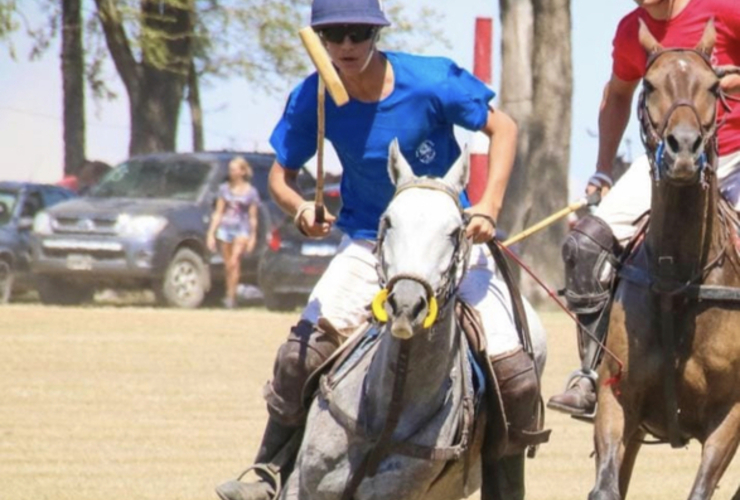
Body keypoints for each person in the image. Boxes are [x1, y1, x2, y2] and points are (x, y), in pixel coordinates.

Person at [216, 1, 548, 499]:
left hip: (446, 241)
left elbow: (504, 128)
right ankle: (268, 473)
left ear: (376, 35)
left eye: (358, 33)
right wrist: (301, 210)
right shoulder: (316, 98)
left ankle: (503, 487)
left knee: (513, 372)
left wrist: (488, 205)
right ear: (321, 41)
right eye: (334, 35)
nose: (346, 46)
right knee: (296, 357)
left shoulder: (430, 81)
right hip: (371, 243)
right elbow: (281, 176)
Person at [547, 0, 740, 417]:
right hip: (664, 165)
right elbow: (617, 95)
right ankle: (591, 371)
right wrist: (601, 169)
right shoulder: (631, 30)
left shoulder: (725, 11)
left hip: (736, 155)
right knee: (585, 243)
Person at [207, 156, 260, 309]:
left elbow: (253, 217)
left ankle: (231, 297)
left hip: (242, 229)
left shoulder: (251, 192)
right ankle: (230, 293)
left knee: (234, 261)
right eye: (230, 169)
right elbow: (218, 212)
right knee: (228, 265)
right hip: (225, 227)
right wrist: (211, 233)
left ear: (242, 172)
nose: (231, 172)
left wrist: (253, 236)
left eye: (234, 169)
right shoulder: (224, 189)